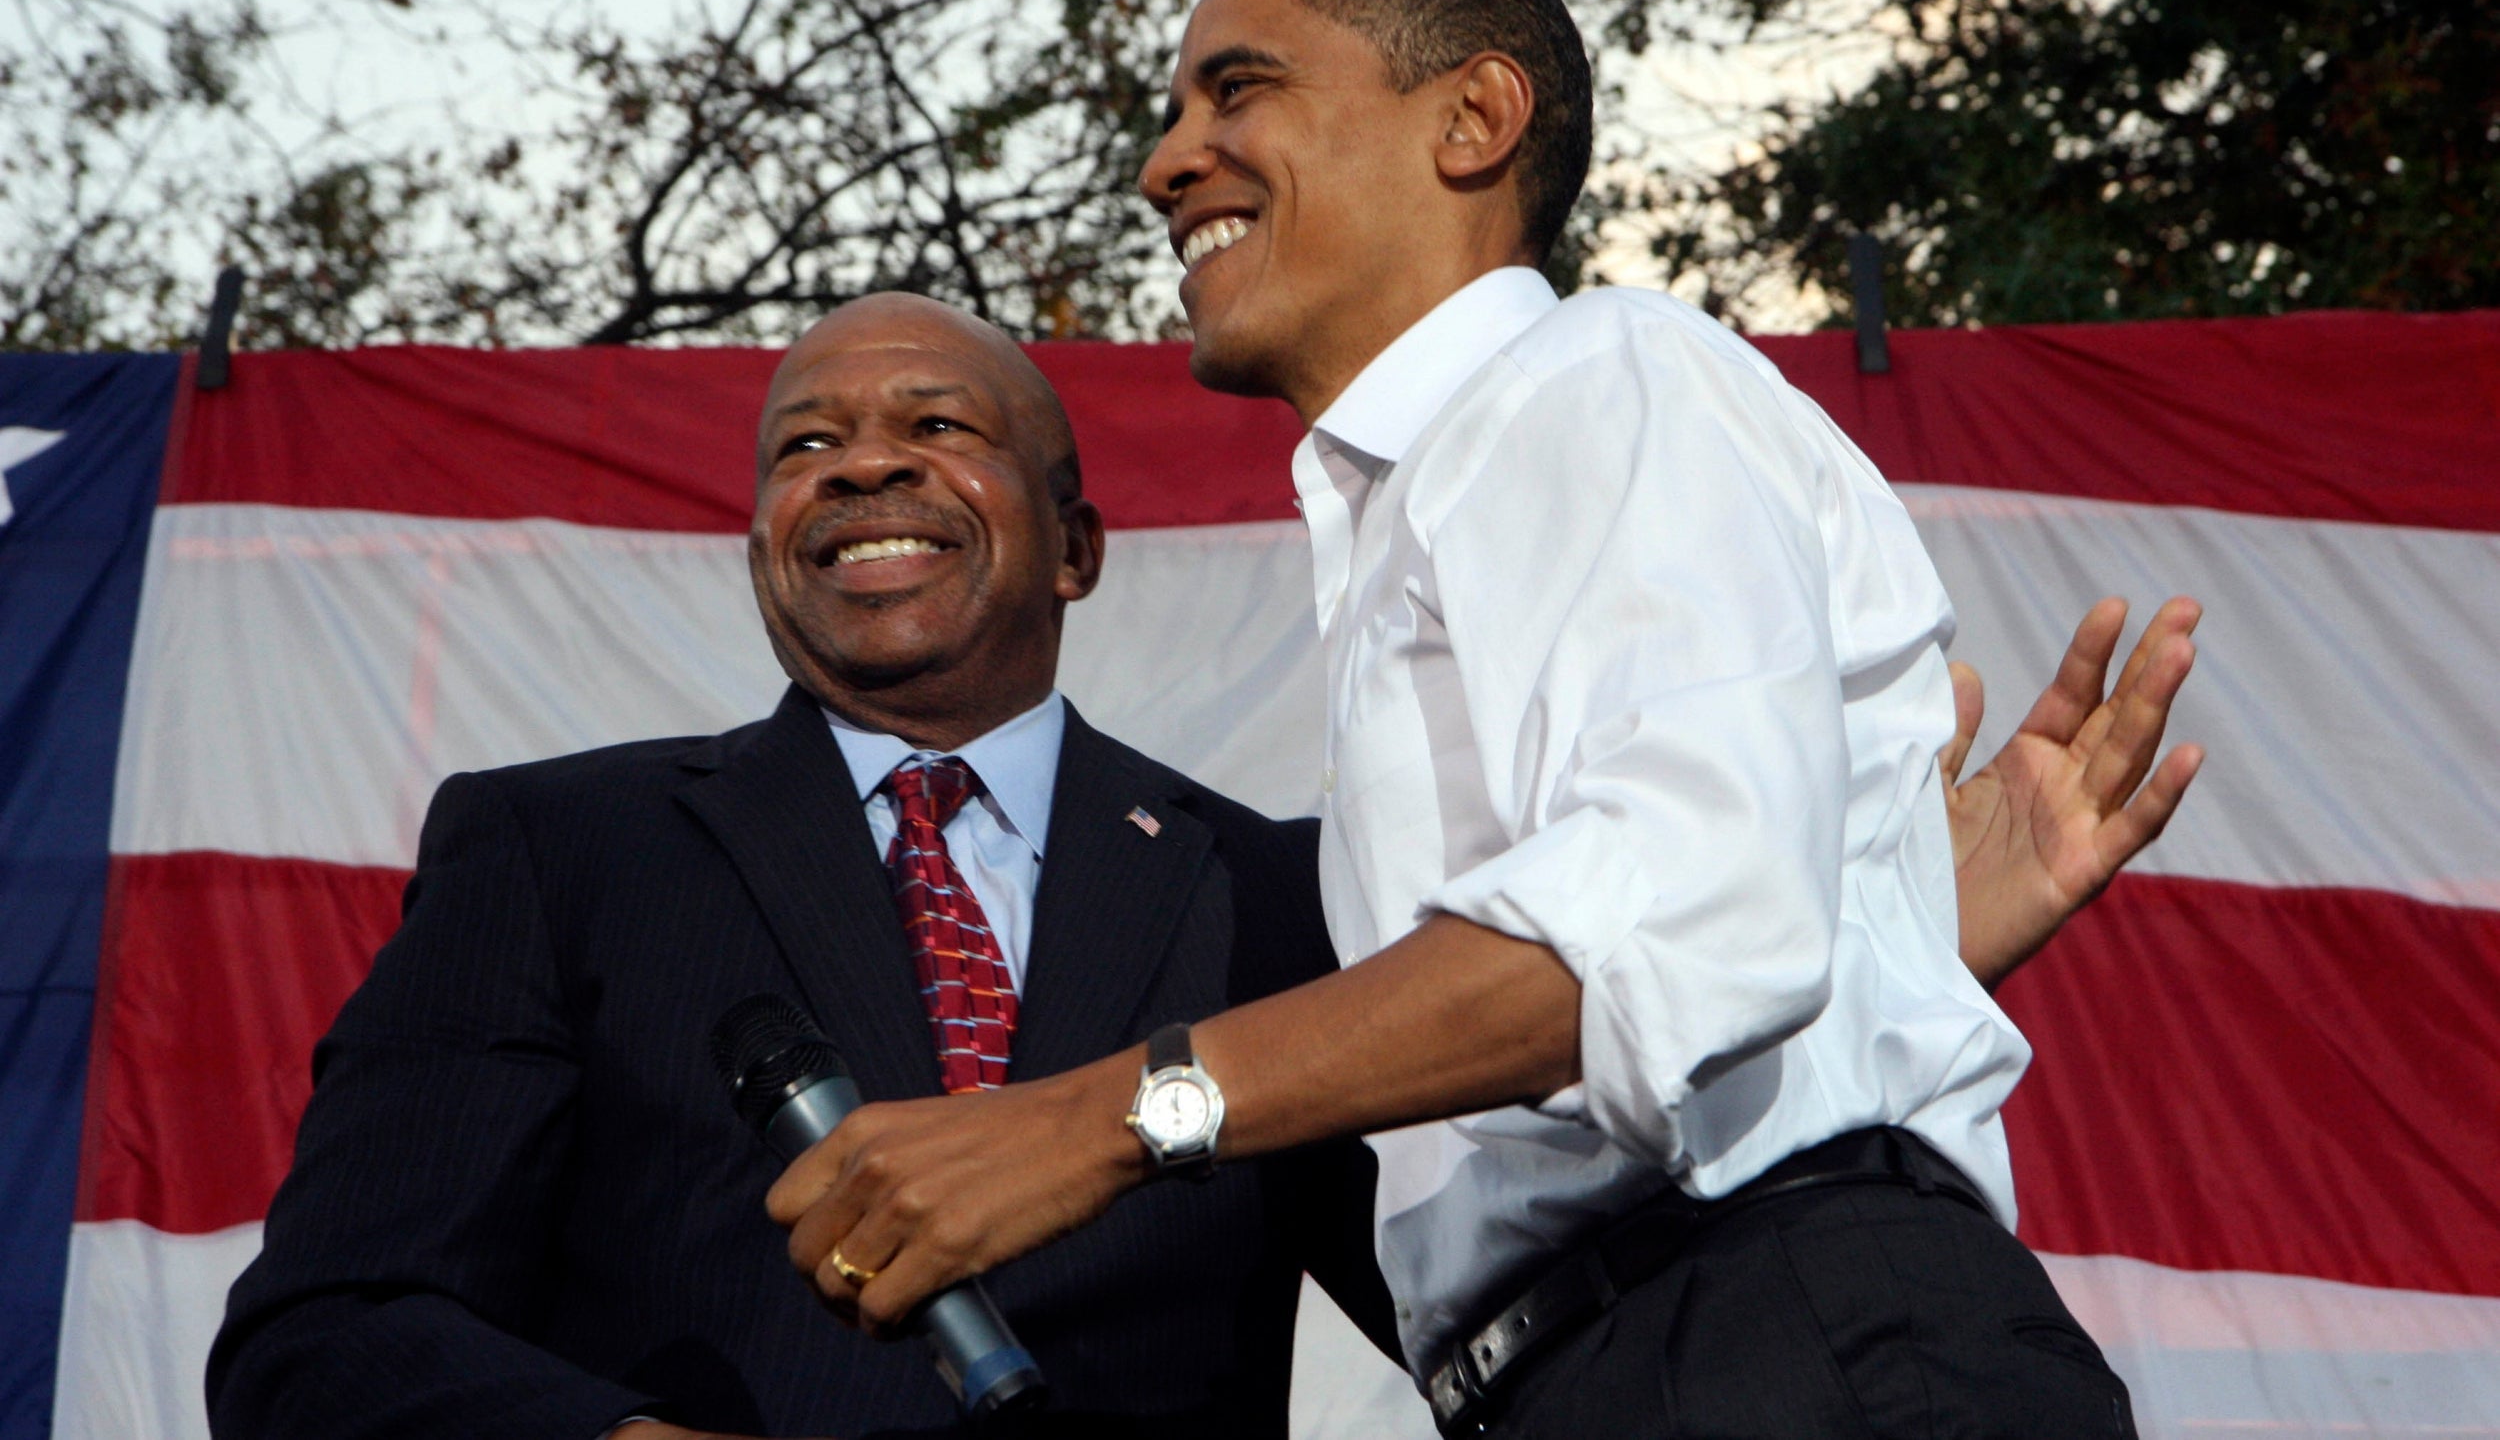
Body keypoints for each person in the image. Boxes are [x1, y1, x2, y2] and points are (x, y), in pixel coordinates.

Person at [210, 291, 2188, 1440]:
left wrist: (1867, 945)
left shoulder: (1276, 901)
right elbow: (326, 1343)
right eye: (801, 449)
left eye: (932, 429)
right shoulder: (557, 849)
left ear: (1074, 546)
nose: (860, 470)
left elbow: (1531, 1236)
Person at [758, 0, 2206, 1440]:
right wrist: (1880, 947)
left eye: (1235, 90)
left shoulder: (1594, 377)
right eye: (1172, 116)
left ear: (1473, 119)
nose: (1168, 163)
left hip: (1772, 1347)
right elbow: (1696, 941)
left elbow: (1674, 909)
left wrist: (1103, 1119)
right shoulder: (1431, 501)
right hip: (1621, 1367)